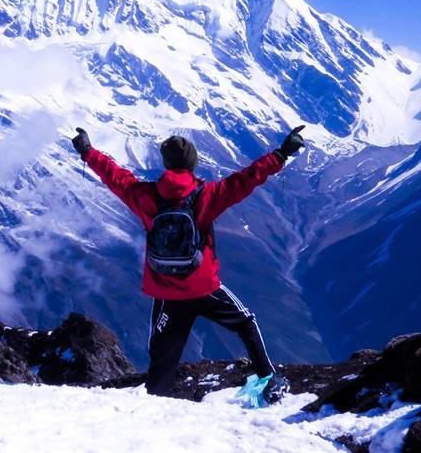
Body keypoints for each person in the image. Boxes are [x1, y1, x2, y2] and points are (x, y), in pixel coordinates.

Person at [70, 125, 306, 403]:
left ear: (165, 164)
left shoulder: (145, 196)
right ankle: (268, 377)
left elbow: (115, 177)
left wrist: (87, 151)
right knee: (245, 322)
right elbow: (246, 180)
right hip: (204, 285)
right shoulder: (208, 195)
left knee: (162, 355)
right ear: (193, 163)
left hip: (166, 292)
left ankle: (154, 404)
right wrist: (281, 154)